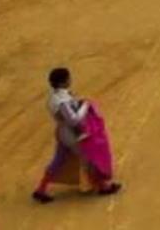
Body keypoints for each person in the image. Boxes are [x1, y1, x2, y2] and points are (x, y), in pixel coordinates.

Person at [30, 68, 119, 203]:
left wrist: (79, 104)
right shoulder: (62, 100)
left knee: (58, 160)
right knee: (90, 156)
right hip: (72, 135)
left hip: (62, 132)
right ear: (63, 82)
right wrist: (85, 106)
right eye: (68, 78)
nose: (70, 80)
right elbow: (73, 120)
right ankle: (103, 186)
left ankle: (40, 190)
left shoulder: (54, 96)